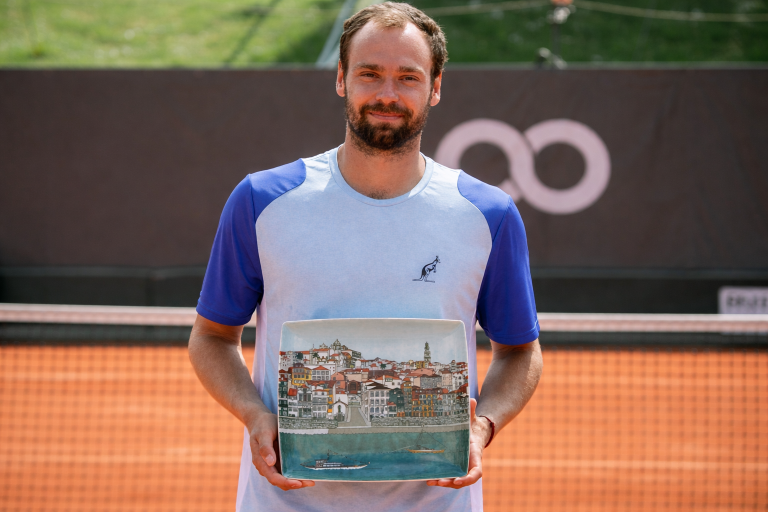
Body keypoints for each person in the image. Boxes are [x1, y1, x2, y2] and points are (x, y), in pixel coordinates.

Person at [188, 2, 543, 511]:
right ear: (341, 79)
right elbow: (211, 336)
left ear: (436, 87)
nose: (387, 94)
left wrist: (482, 426)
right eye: (370, 74)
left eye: (408, 77)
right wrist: (253, 414)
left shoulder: (489, 213)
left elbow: (520, 352)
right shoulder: (260, 200)